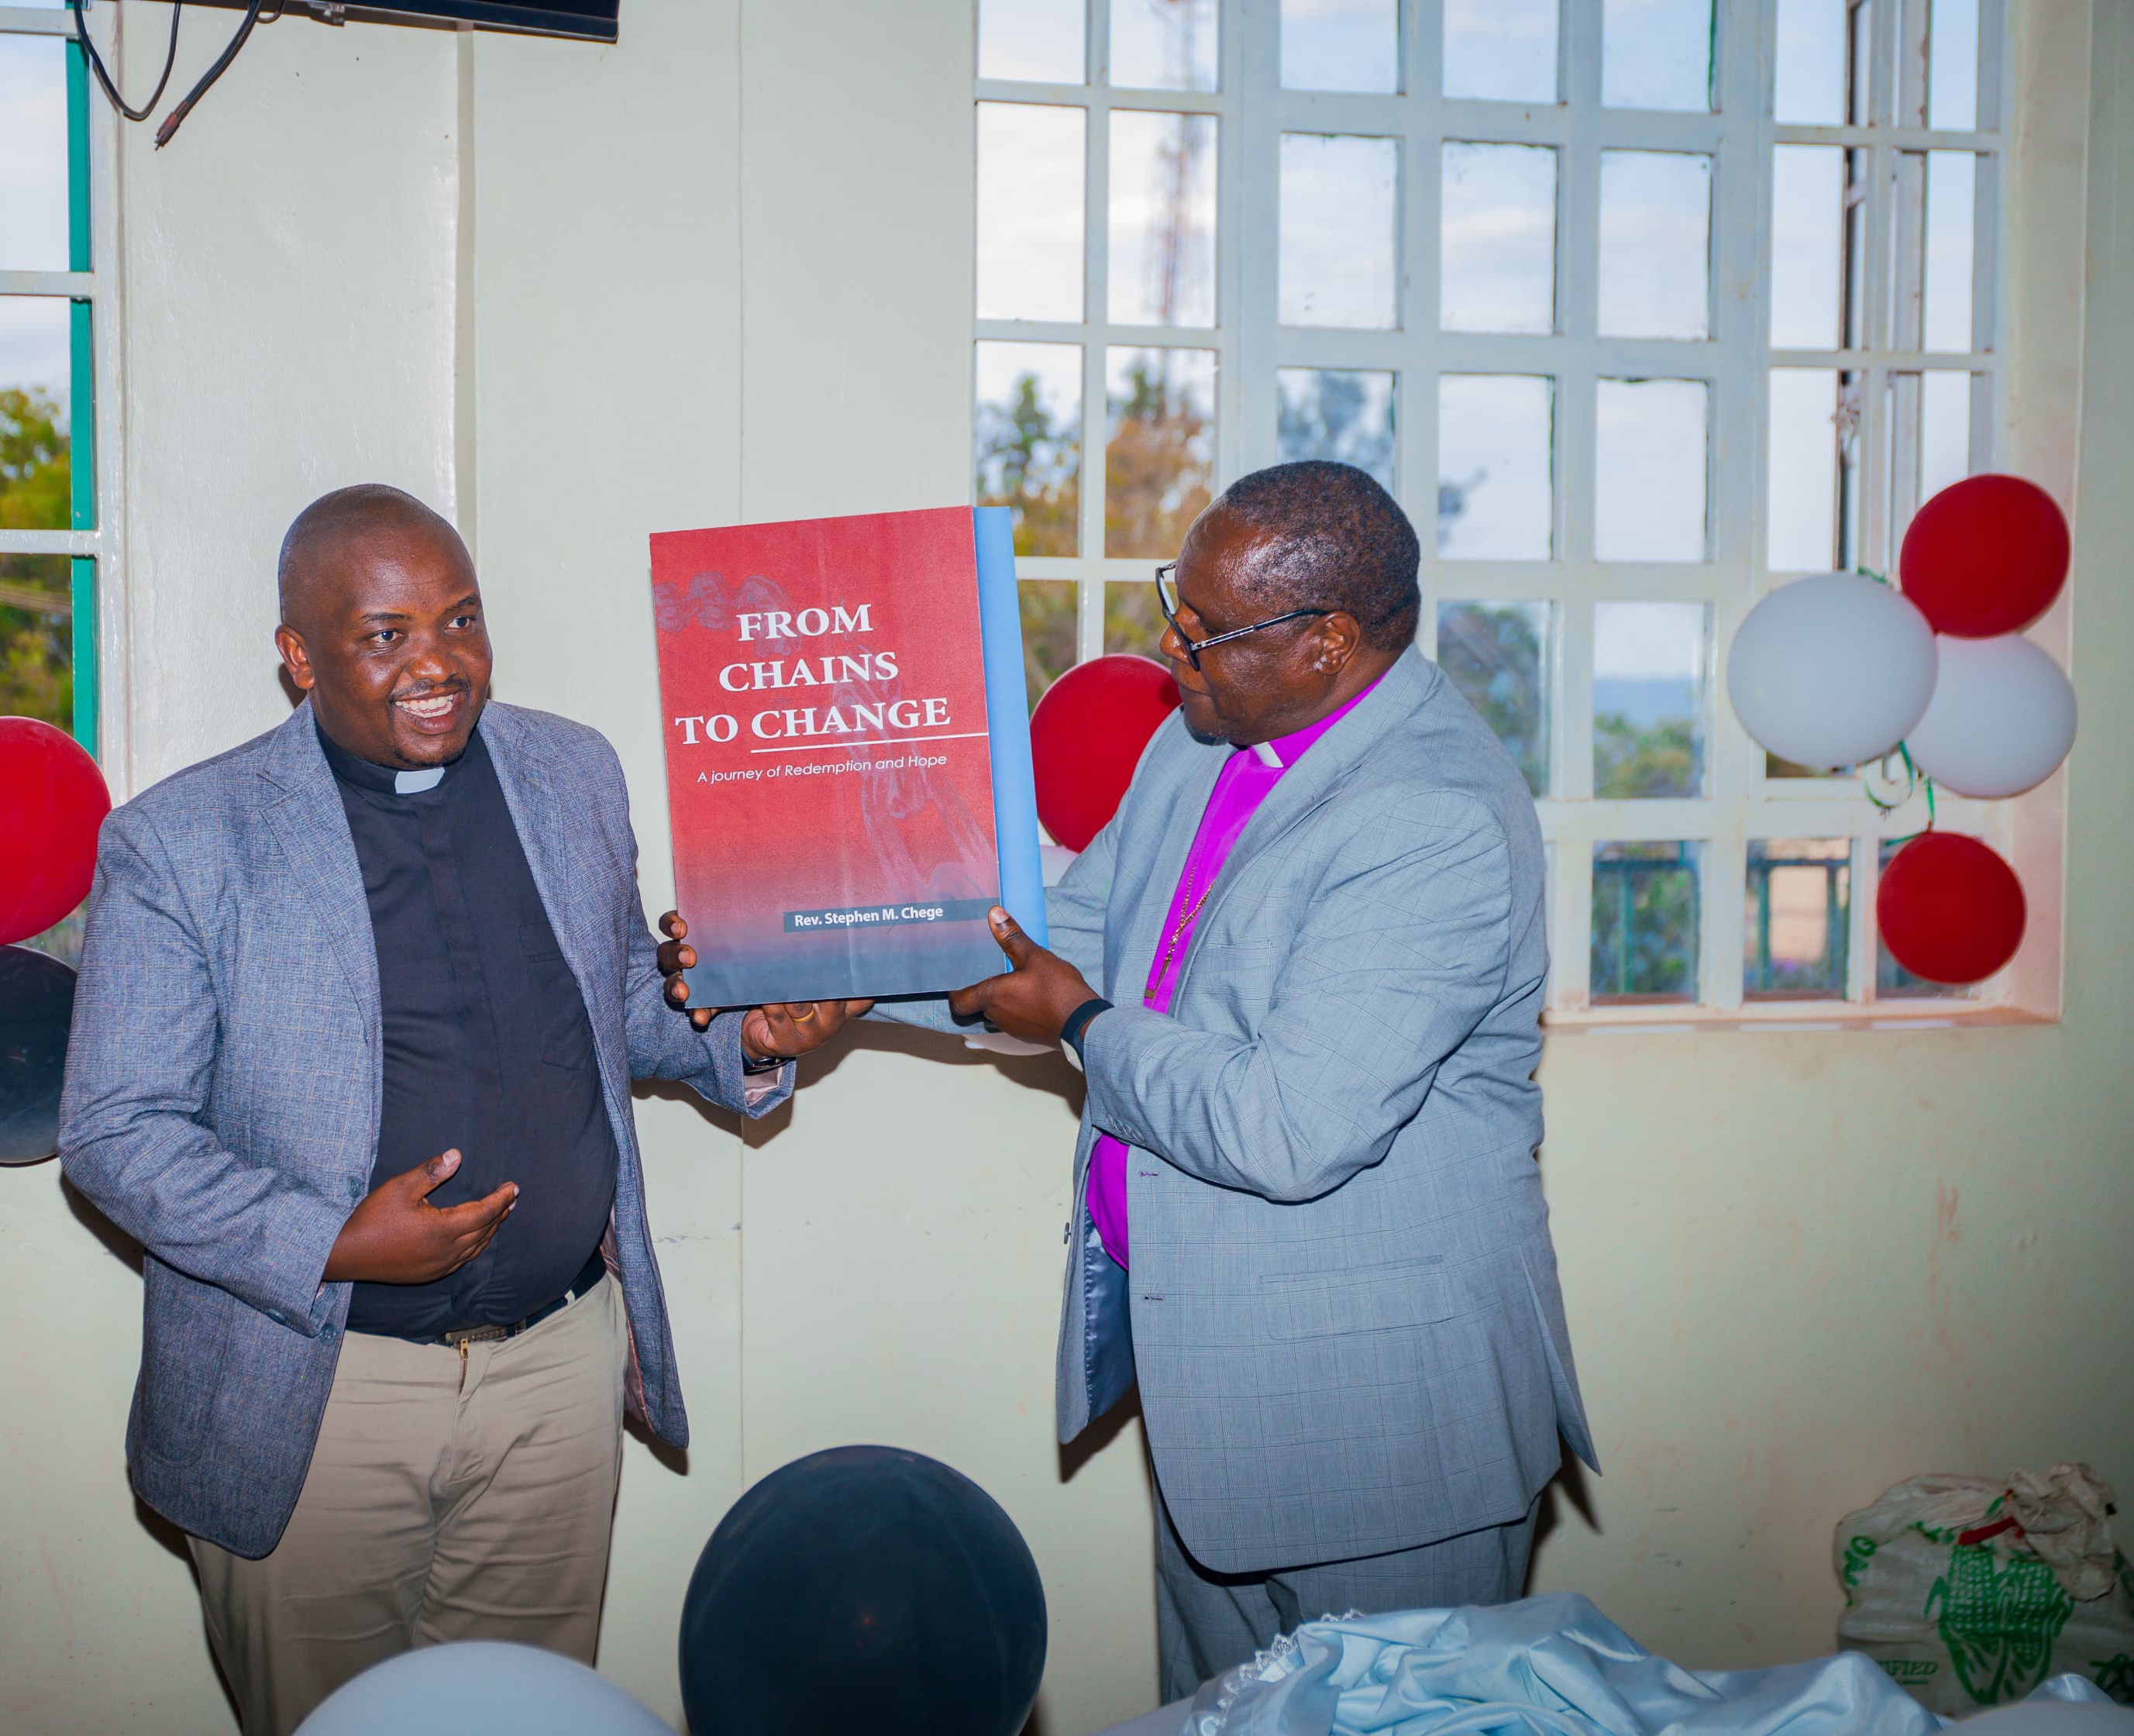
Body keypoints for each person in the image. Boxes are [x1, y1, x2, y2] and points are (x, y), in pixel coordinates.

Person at [59, 484, 865, 1736]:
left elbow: (619, 1004)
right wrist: (331, 1243)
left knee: (526, 1716)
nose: (437, 662)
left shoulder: (572, 772)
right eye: (385, 634)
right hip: (316, 1393)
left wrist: (745, 1034)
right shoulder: (184, 840)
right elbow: (116, 1131)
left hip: (555, 1373)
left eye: (461, 619)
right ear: (298, 657)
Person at [879, 461, 1596, 1698]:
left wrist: (1083, 1024)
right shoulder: (1201, 735)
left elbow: (1287, 1127)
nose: (1173, 647)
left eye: (1208, 629)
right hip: (1218, 1388)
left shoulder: (1428, 817)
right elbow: (1065, 935)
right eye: (1179, 603)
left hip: (1382, 1430)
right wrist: (809, 966)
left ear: (1328, 643)